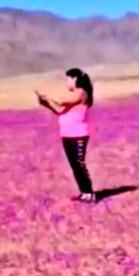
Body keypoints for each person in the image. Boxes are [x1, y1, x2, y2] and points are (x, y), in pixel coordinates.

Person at [36, 68, 95, 203]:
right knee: (74, 165)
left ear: (75, 79)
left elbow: (62, 101)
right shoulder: (73, 95)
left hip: (78, 135)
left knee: (79, 164)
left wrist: (47, 95)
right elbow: (59, 110)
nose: (67, 82)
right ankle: (84, 192)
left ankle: (89, 193)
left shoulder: (81, 93)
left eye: (69, 78)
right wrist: (46, 103)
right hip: (67, 134)